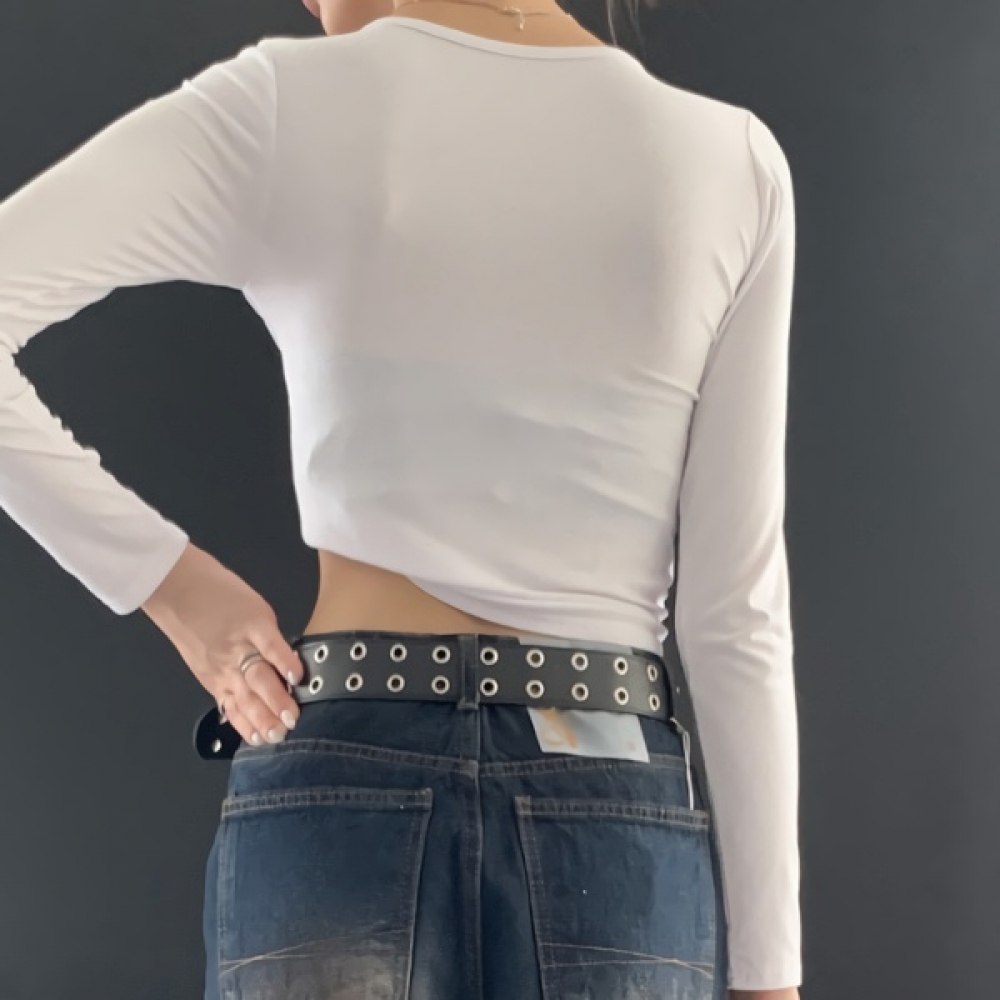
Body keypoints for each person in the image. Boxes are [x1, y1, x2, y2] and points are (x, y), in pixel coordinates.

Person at [0, 0, 801, 997]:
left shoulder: (289, 102)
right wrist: (769, 974)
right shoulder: (730, 160)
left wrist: (174, 587)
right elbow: (735, 614)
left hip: (345, 768)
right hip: (610, 786)